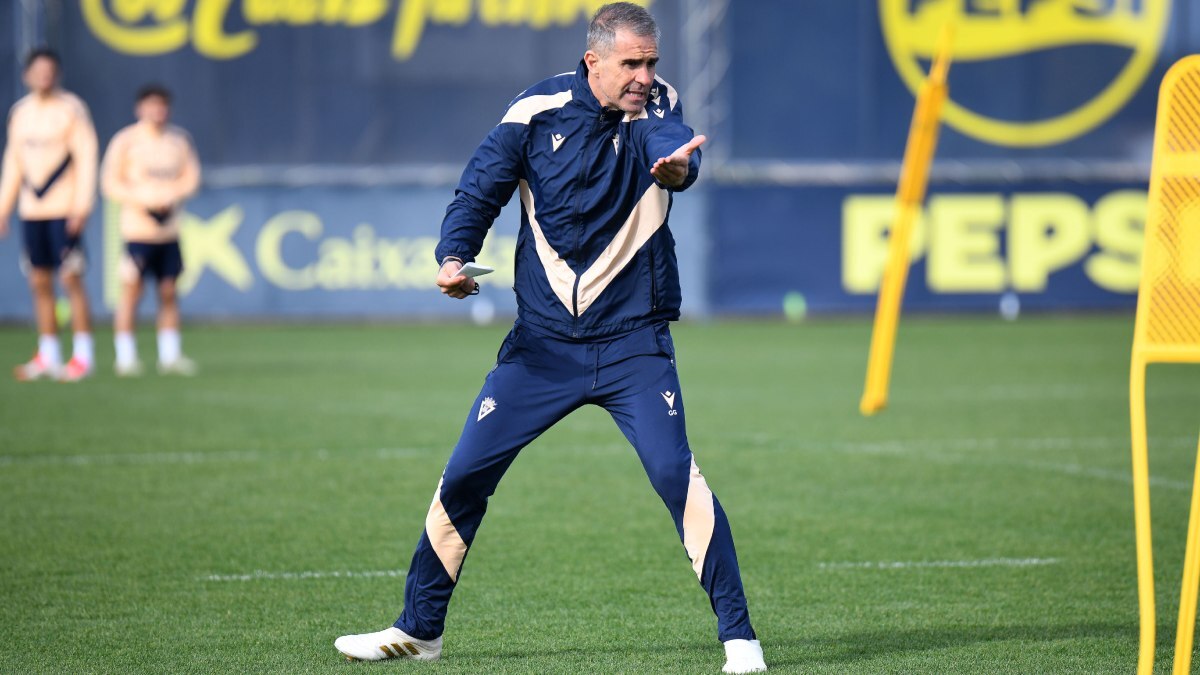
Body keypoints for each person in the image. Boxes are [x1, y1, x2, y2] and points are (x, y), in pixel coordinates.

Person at [334, 4, 766, 673]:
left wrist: (679, 170)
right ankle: (420, 631)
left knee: (674, 475)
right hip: (542, 351)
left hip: (633, 346)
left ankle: (740, 639)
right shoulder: (533, 112)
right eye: (632, 63)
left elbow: (670, 148)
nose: (645, 75)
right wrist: (453, 256)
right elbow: (480, 189)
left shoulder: (657, 106)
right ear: (593, 61)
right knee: (465, 474)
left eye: (652, 61)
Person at [0, 48, 98, 381]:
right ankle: (48, 354)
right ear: (27, 75)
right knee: (38, 281)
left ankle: (83, 356)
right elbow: (14, 163)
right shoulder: (21, 113)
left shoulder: (71, 109)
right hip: (32, 211)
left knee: (70, 278)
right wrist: (4, 209)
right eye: (38, 70)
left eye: (50, 70)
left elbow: (86, 158)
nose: (44, 76)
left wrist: (81, 206)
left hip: (64, 209)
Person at [101, 84, 200, 376]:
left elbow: (191, 178)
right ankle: (126, 355)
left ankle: (170, 355)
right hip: (138, 231)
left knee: (169, 291)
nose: (158, 112)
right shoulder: (126, 141)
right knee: (132, 291)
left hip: (169, 231)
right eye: (152, 106)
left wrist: (171, 197)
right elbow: (110, 182)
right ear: (140, 109)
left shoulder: (179, 141)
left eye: (163, 106)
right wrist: (145, 200)